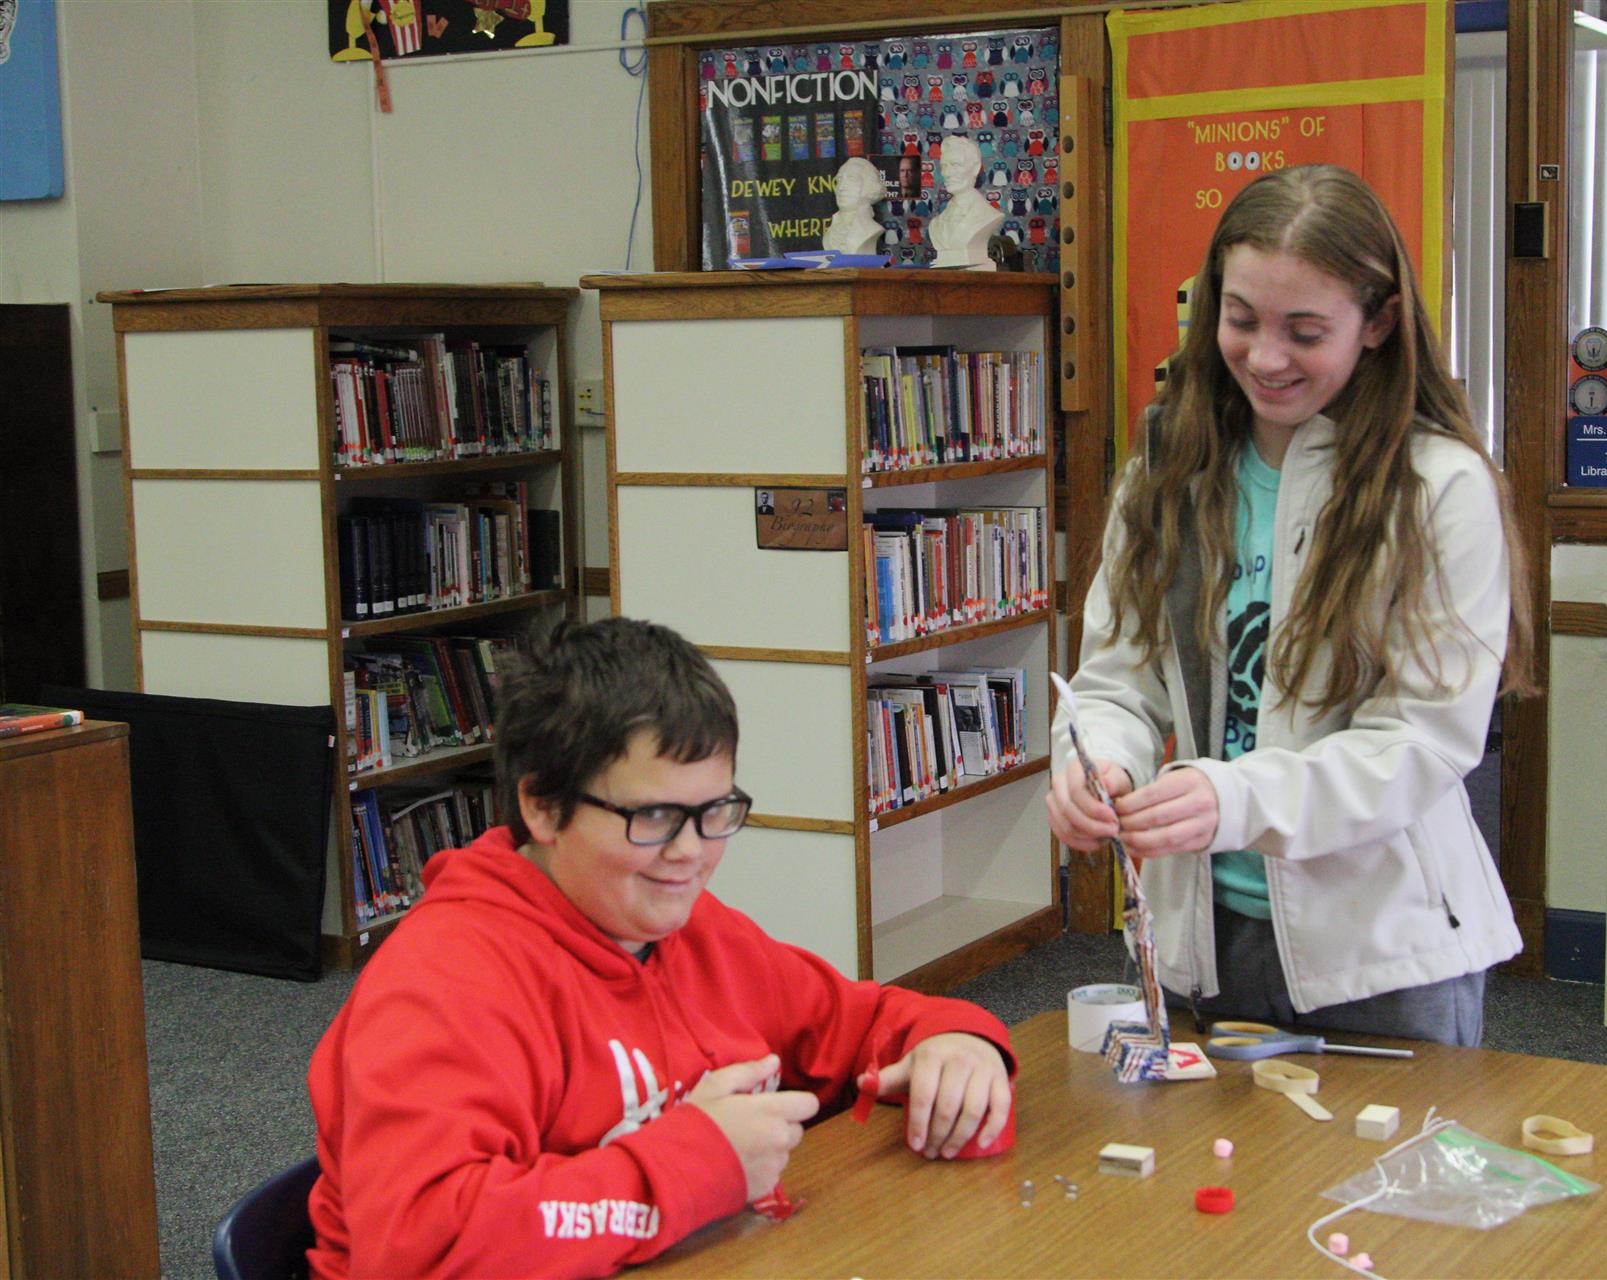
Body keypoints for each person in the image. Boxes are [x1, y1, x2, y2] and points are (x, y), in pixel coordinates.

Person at [307, 619, 1015, 1278]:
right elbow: (420, 1247)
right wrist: (701, 1162)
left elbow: (859, 1024)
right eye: (653, 816)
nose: (691, 853)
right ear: (542, 806)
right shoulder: (444, 982)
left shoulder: (690, 929)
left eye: (714, 812)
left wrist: (955, 1043)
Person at [1048, 165, 1534, 1048]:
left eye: (1305, 332)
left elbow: (1422, 741)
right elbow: (1118, 678)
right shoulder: (1168, 467)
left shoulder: (1437, 486)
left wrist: (1232, 797)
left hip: (1380, 954)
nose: (1266, 358)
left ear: (1378, 322)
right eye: (1241, 320)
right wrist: (1098, 763)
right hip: (1199, 941)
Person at [928, 134, 1002, 267]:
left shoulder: (989, 216)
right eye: (944, 166)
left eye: (955, 165)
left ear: (975, 168)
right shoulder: (936, 224)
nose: (946, 173)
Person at [822, 156, 886, 255]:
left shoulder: (871, 229)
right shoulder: (831, 230)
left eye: (851, 179)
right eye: (839, 180)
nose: (841, 187)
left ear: (869, 185)